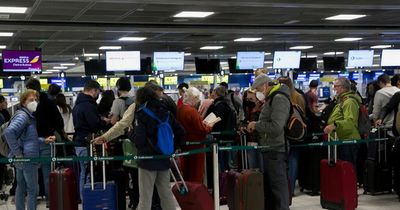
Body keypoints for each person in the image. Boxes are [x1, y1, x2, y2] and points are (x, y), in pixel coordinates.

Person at [134, 86, 185, 210]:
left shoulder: (141, 113)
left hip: (147, 160)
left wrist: (130, 134)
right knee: (166, 194)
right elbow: (181, 132)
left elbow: (139, 140)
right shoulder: (166, 112)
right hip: (164, 157)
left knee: (145, 197)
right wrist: (173, 147)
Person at [4, 90, 55, 210]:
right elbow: (9, 132)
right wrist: (18, 153)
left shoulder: (27, 116)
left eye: (36, 100)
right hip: (28, 158)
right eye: (31, 100)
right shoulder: (23, 116)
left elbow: (28, 139)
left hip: (24, 156)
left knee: (21, 187)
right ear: (23, 103)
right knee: (32, 190)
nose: (34, 102)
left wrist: (43, 140)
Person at [247, 74, 291, 210]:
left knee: (278, 187)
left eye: (259, 89)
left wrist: (257, 125)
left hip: (276, 149)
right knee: (272, 188)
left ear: (266, 85)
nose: (258, 93)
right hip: (269, 148)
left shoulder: (278, 98)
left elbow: (277, 126)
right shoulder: (271, 98)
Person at [25, 78, 64, 206]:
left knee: (32, 173)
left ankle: (34, 199)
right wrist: (52, 129)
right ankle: (49, 200)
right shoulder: (49, 102)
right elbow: (59, 122)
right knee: (47, 173)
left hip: (31, 142)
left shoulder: (27, 104)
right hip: (47, 140)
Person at [72, 80, 110, 200]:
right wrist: (104, 121)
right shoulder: (88, 105)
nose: (98, 94)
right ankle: (87, 200)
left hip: (80, 142)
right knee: (88, 173)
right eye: (98, 91)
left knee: (85, 172)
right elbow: (94, 124)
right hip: (86, 144)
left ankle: (84, 199)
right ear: (93, 90)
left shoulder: (78, 104)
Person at [177, 87, 214, 183]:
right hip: (197, 145)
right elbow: (202, 129)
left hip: (185, 144)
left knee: (187, 171)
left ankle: (188, 193)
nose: (198, 102)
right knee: (196, 173)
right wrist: (209, 126)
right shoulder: (192, 111)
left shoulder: (180, 109)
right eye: (197, 99)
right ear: (193, 98)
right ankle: (196, 194)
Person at [323, 77, 361, 168]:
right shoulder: (342, 101)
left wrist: (335, 125)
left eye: (336, 86)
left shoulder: (349, 102)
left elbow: (350, 121)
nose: (333, 88)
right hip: (342, 139)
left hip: (348, 140)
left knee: (348, 169)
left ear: (343, 87)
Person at [278, 76, 306, 196]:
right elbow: (303, 114)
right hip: (297, 132)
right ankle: (291, 187)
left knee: (285, 161)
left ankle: (285, 188)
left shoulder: (280, 98)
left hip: (285, 133)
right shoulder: (298, 96)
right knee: (294, 160)